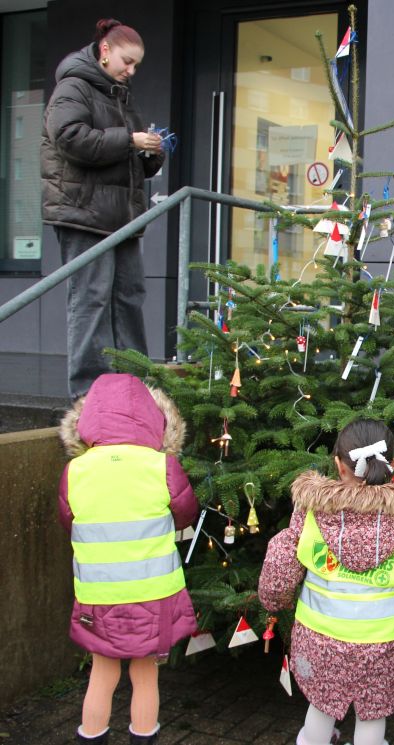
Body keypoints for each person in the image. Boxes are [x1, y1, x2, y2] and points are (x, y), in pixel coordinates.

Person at [258, 419, 394, 745]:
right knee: (373, 715)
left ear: (337, 465)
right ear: (393, 466)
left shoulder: (312, 512)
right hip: (384, 647)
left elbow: (281, 561)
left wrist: (275, 602)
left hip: (319, 641)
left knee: (320, 707)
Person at [58, 373, 199, 745]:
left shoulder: (77, 471)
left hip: (98, 594)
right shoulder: (161, 466)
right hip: (154, 592)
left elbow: (67, 519)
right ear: (153, 417)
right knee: (145, 675)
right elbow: (186, 512)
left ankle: (91, 737)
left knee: (101, 676)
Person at [42, 18, 165, 400]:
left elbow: (126, 155)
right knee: (91, 300)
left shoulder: (120, 94)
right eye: (127, 62)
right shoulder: (72, 87)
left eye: (136, 66)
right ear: (105, 51)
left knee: (128, 298)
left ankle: (135, 385)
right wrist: (129, 140)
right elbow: (69, 138)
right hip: (83, 214)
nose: (131, 71)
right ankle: (89, 394)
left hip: (122, 218)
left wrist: (150, 154)